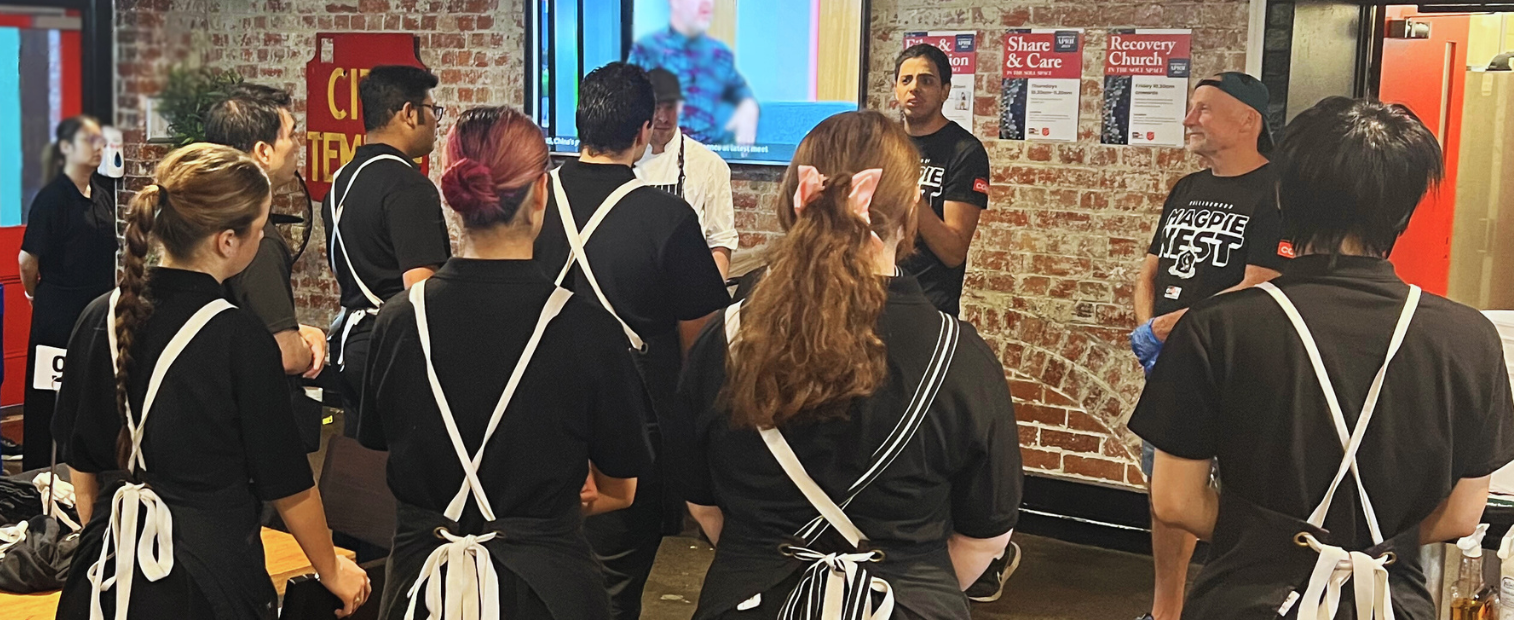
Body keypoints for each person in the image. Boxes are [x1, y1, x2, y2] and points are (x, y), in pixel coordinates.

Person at [1130, 96, 1514, 619]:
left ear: (1283, 196)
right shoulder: (1470, 338)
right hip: (1390, 599)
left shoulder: (1216, 326)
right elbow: (1462, 517)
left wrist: (1280, 544)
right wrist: (1367, 549)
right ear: (1405, 211)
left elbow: (1176, 501)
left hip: (1249, 597)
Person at [671, 110, 1022, 619]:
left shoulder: (725, 339)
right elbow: (984, 539)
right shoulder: (960, 355)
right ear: (910, 209)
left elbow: (703, 505)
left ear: (795, 200)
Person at [50, 143, 370, 619]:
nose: (262, 238)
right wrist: (331, 569)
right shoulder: (238, 336)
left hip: (102, 573)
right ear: (227, 241)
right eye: (260, 228)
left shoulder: (100, 315)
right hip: (204, 579)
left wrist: (115, 535)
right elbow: (288, 484)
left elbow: (80, 469)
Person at [359, 105, 653, 619]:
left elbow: (385, 444)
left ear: (453, 195)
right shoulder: (588, 331)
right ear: (541, 192)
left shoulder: (399, 320)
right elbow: (620, 489)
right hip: (546, 592)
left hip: (422, 588)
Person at [533, 61, 730, 620]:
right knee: (614, 586)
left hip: (531, 416)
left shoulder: (530, 201)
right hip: (628, 432)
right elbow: (703, 346)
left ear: (580, 123)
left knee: (536, 570)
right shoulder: (668, 218)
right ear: (644, 131)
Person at [1127, 71, 1289, 620]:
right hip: (1174, 367)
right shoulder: (1187, 188)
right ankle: (1166, 610)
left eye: (1203, 110)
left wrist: (1176, 329)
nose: (1188, 120)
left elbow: (1261, 284)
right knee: (1167, 489)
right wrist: (1149, 331)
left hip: (1241, 369)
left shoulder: (1277, 191)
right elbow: (1149, 273)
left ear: (1248, 120)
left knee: (1241, 490)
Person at [320, 65, 451, 438]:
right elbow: (419, 293)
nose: (436, 122)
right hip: (395, 351)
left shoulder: (342, 179)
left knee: (361, 464)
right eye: (432, 110)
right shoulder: (408, 186)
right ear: (409, 113)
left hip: (351, 347)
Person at [204, 82, 329, 452]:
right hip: (245, 434)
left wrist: (295, 328)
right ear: (263, 151)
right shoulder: (256, 242)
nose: (297, 145)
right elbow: (285, 355)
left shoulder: (200, 224)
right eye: (291, 135)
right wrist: (307, 346)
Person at [17, 115, 117, 470]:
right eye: (88, 141)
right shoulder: (52, 198)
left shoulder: (102, 195)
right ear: (65, 148)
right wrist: (34, 296)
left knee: (90, 391)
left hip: (97, 309)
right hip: (59, 310)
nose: (98, 147)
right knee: (52, 396)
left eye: (100, 140)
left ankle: (86, 467)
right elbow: (27, 260)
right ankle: (42, 470)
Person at [893, 44, 992, 319]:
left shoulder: (965, 151)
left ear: (944, 91)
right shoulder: (883, 144)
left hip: (929, 310)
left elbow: (953, 252)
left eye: (926, 81)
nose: (914, 88)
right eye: (906, 80)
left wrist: (911, 197)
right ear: (896, 89)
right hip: (876, 300)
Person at [636, 68, 739, 278]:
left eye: (670, 107)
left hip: (686, 286)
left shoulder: (710, 165)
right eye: (657, 108)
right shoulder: (625, 159)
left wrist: (712, 295)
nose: (663, 117)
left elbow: (720, 242)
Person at [627, 0, 759, 146]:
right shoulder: (646, 50)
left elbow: (740, 90)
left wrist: (749, 107)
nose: (707, 3)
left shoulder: (720, 54)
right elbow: (628, 102)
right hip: (658, 152)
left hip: (709, 151)